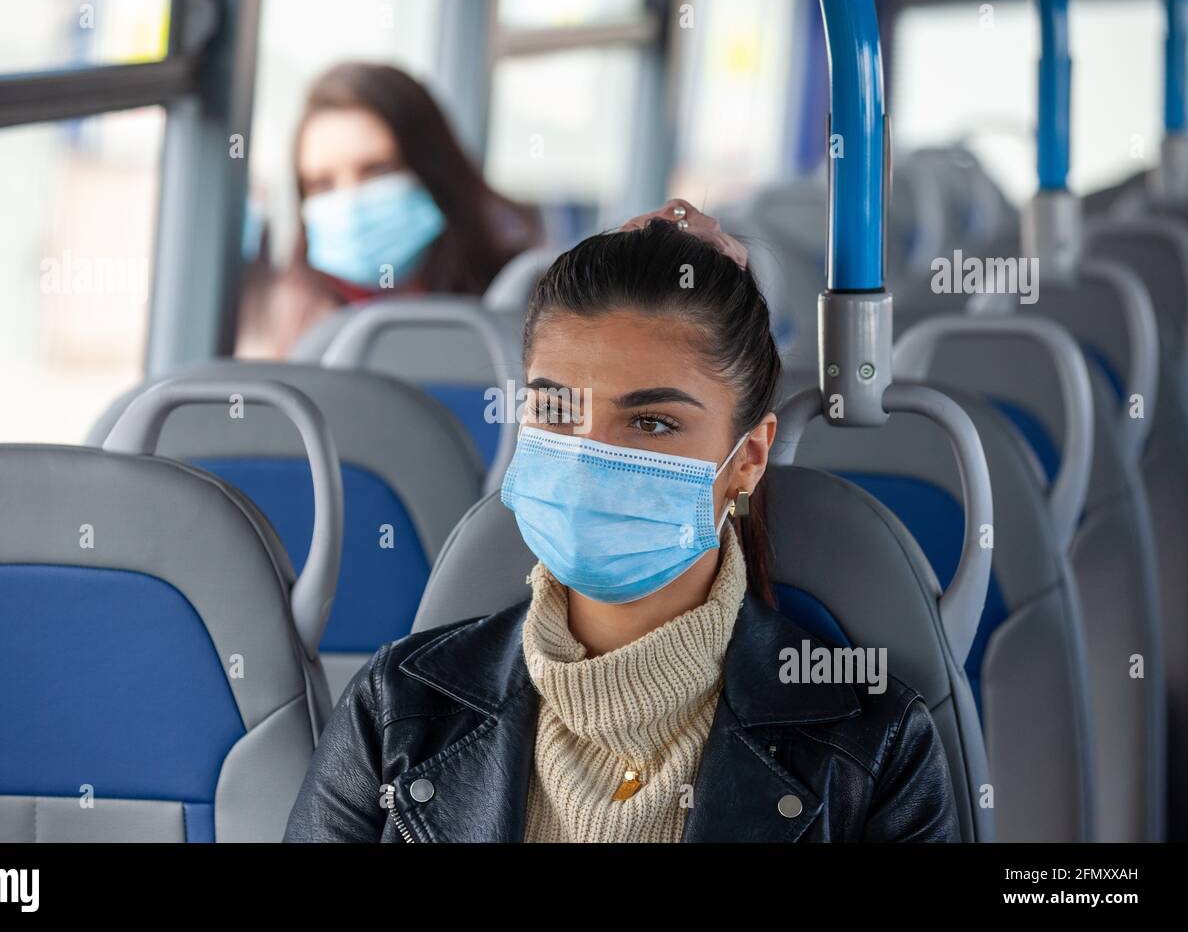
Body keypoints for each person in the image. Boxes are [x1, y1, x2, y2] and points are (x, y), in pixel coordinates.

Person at [284, 200, 960, 842]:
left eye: (652, 422)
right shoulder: (396, 710)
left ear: (748, 457)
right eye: (555, 411)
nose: (588, 458)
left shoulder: (872, 748)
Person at [235, 62, 542, 358]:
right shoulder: (286, 331)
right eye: (322, 184)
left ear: (434, 170)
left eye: (377, 170)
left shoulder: (526, 306)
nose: (350, 203)